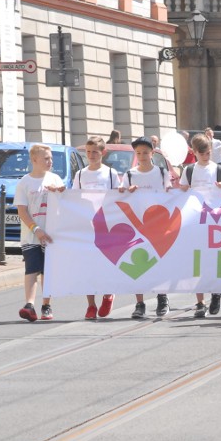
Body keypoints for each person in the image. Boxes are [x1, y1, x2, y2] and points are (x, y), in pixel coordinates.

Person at [119, 137, 172, 318]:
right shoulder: (130, 174)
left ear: (152, 152)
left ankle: (162, 298)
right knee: (138, 262)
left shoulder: (162, 173)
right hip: (135, 225)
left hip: (157, 224)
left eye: (145, 152)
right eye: (138, 153)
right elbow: (120, 196)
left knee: (159, 261)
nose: (142, 156)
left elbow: (170, 194)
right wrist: (127, 191)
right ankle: (140, 303)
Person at [180, 134, 221, 317]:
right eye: (201, 152)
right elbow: (182, 190)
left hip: (215, 222)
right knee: (197, 261)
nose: (205, 155)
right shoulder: (189, 170)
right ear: (194, 152)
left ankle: (215, 292)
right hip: (195, 220)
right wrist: (182, 189)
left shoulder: (217, 169)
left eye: (208, 152)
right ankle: (200, 302)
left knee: (212, 259)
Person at [16, 144, 65, 321]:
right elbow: (22, 210)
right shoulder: (24, 182)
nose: (50, 161)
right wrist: (35, 229)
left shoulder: (55, 179)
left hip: (51, 236)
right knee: (31, 269)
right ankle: (29, 305)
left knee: (47, 270)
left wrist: (61, 192)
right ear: (34, 160)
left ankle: (46, 305)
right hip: (31, 235)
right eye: (46, 158)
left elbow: (64, 204)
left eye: (51, 158)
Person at [73, 136, 118, 320]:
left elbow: (118, 198)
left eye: (95, 152)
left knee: (105, 263)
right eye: (88, 152)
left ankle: (108, 293)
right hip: (86, 225)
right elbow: (73, 198)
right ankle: (90, 305)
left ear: (103, 153)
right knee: (87, 266)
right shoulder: (81, 174)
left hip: (106, 226)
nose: (91, 155)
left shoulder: (110, 174)